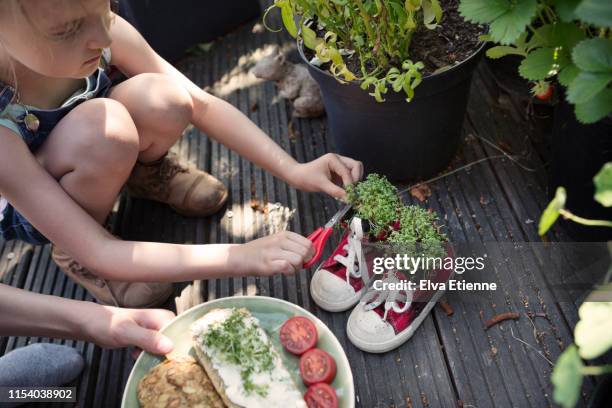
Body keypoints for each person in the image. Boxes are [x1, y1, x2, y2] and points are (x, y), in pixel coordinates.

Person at [0, 0, 362, 355]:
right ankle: (72, 254)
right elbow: (101, 251)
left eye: (103, 8)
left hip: (96, 140)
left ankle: (144, 173)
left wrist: (293, 170)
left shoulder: (100, 28)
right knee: (104, 129)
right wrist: (240, 255)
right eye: (67, 29)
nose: (103, 37)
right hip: (46, 205)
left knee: (166, 97)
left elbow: (199, 103)